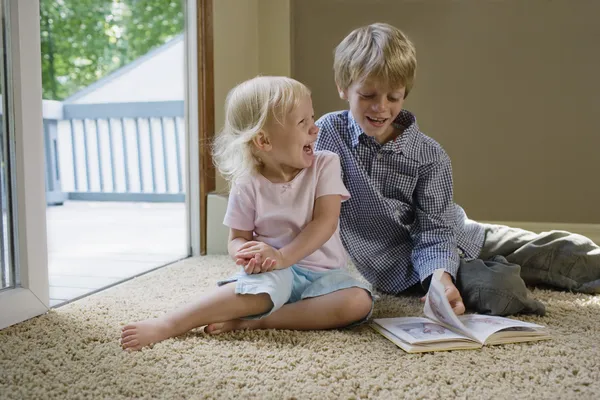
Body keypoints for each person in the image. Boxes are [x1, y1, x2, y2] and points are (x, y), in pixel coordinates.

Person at [314, 22, 600, 316]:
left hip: (460, 236)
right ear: (343, 88)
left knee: (567, 250)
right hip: (407, 273)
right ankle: (495, 272)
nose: (380, 108)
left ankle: (507, 264)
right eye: (368, 96)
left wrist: (441, 275)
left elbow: (435, 230)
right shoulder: (325, 135)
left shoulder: (428, 155)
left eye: (393, 97)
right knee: (499, 291)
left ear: (405, 94)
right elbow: (287, 183)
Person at [120, 76, 373, 350]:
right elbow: (237, 238)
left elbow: (325, 221)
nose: (315, 129)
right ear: (263, 140)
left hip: (324, 276)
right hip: (271, 275)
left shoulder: (325, 164)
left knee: (357, 302)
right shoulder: (247, 181)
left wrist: (282, 257)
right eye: (303, 123)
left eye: (312, 118)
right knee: (257, 291)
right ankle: (170, 323)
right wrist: (247, 255)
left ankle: (257, 322)